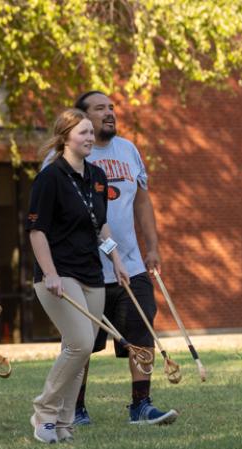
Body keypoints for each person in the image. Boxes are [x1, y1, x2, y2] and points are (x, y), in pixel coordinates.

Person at [71, 91, 178, 425]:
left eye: (111, 108)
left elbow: (142, 202)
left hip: (130, 264)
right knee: (81, 342)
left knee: (142, 328)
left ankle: (141, 404)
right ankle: (74, 408)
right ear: (82, 118)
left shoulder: (129, 150)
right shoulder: (70, 157)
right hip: (85, 269)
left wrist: (153, 247)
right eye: (100, 108)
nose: (109, 113)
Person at [26, 108, 129, 444]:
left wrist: (116, 259)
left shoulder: (97, 176)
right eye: (83, 132)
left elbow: (101, 225)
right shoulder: (50, 177)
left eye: (90, 133)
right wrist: (51, 274)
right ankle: (44, 411)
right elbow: (37, 231)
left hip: (92, 274)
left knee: (83, 351)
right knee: (80, 342)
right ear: (65, 136)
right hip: (58, 275)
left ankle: (65, 422)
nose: (89, 138)